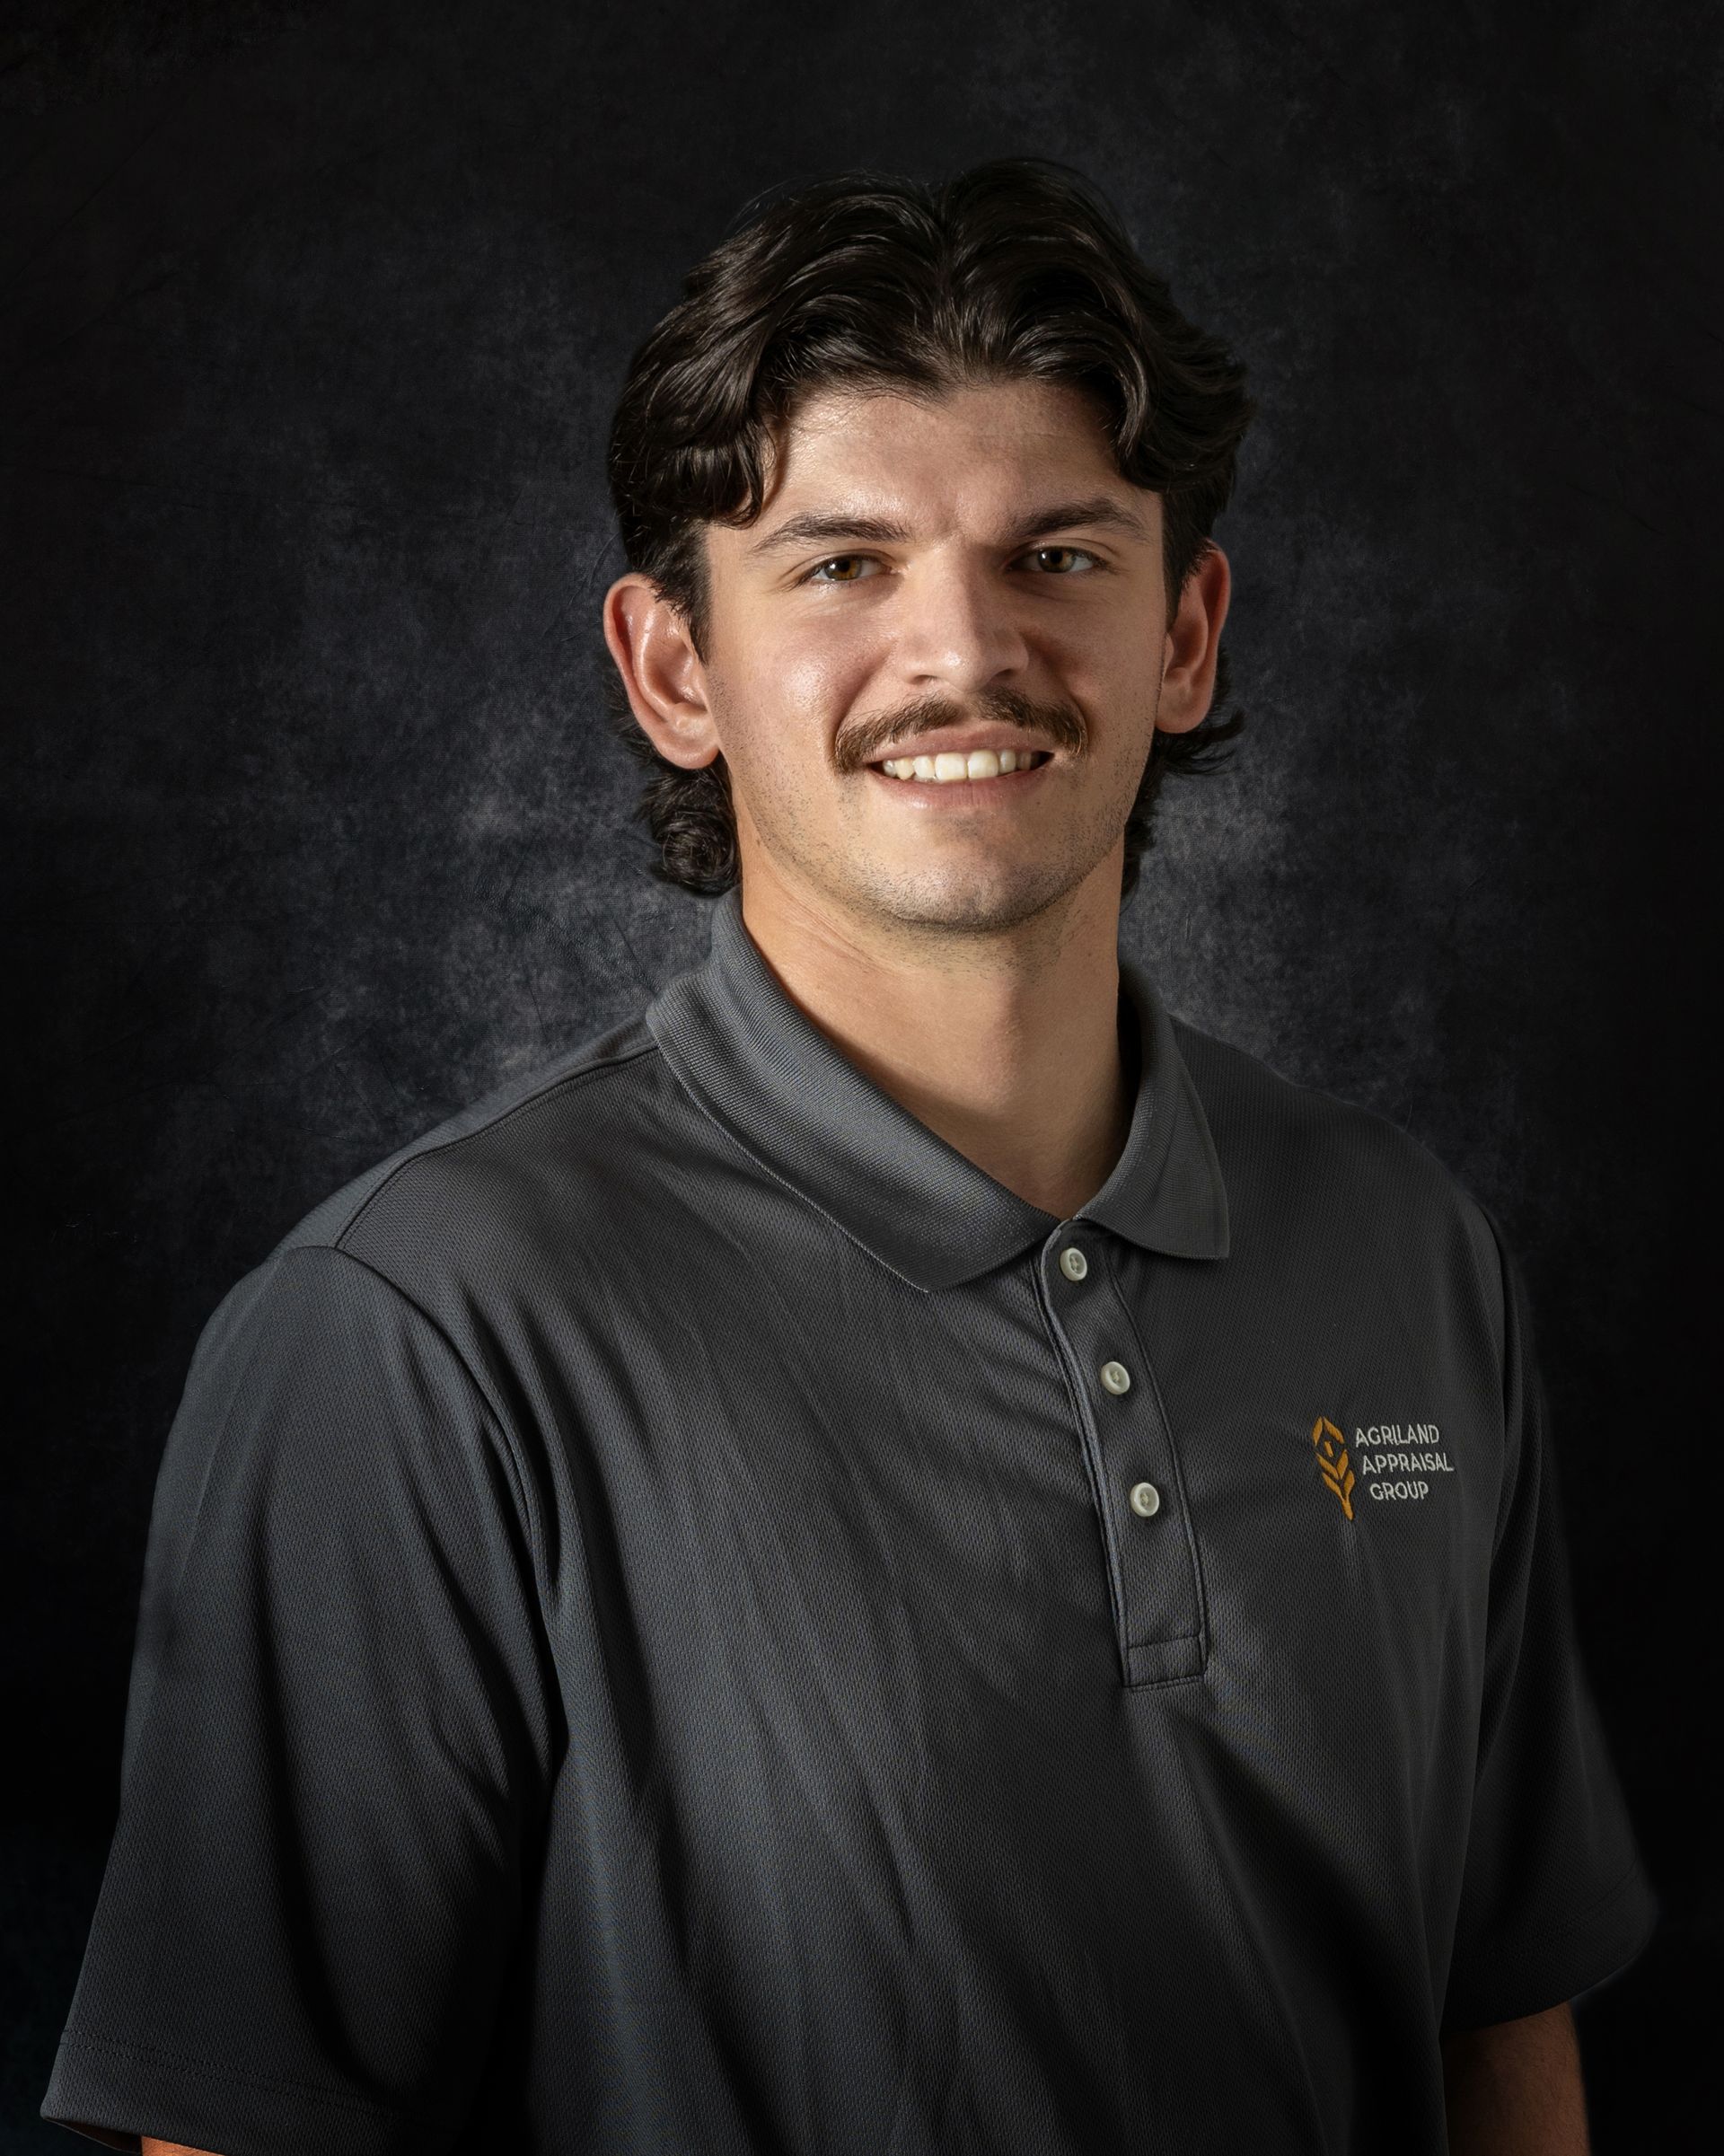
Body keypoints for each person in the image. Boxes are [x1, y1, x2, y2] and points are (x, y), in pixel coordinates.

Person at [42, 157, 1658, 2156]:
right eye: (840, 564)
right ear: (674, 672)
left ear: (1187, 632)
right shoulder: (412, 1339)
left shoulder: (1405, 1248)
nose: (963, 650)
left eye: (1060, 553)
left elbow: (1496, 2016)